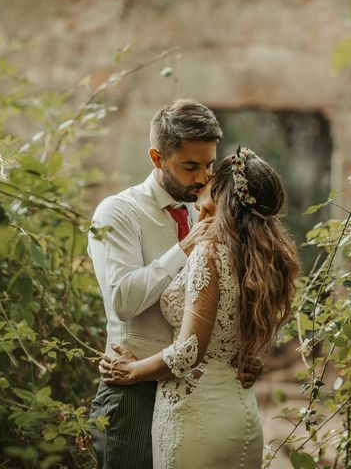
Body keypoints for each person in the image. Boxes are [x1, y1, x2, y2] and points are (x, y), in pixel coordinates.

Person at [100, 147, 300, 469]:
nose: (201, 181)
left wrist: (130, 371)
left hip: (197, 417)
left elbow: (188, 350)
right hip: (242, 411)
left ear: (222, 193)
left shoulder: (210, 251)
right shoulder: (254, 258)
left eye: (209, 173)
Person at [87, 100, 260, 469]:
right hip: (134, 393)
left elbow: (236, 293)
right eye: (190, 166)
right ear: (156, 157)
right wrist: (184, 248)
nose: (202, 178)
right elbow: (122, 300)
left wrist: (247, 351)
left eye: (210, 164)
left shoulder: (209, 208)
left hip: (196, 398)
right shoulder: (118, 213)